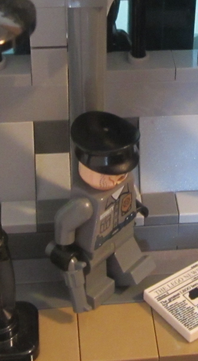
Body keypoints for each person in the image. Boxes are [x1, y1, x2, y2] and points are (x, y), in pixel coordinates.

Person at [48, 111, 153, 312]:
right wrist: (64, 249)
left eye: (122, 174)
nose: (118, 179)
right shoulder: (84, 205)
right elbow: (64, 222)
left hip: (122, 235)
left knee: (132, 263)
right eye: (111, 175)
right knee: (95, 280)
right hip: (94, 249)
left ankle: (125, 271)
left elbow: (126, 198)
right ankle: (97, 286)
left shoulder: (124, 183)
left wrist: (136, 206)